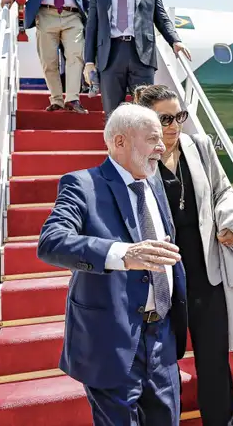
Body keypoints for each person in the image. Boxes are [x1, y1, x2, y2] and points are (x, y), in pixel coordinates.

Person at [133, 84, 233, 426]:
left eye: (179, 116)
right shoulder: (137, 156)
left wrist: (228, 221)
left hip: (205, 273)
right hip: (160, 279)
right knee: (159, 368)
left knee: (214, 363)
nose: (173, 126)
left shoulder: (199, 146)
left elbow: (222, 191)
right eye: (164, 118)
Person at [37, 103, 188, 426]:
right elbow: (51, 242)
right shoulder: (82, 185)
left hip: (161, 337)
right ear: (120, 142)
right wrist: (121, 254)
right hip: (110, 341)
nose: (162, 148)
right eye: (152, 139)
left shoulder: (154, 183)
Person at [84, 0, 192, 116]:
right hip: (110, 57)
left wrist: (175, 40)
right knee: (113, 115)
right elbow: (92, 28)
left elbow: (162, 18)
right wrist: (88, 61)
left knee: (146, 113)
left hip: (141, 55)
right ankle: (114, 145)